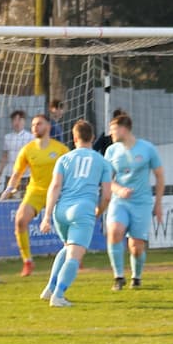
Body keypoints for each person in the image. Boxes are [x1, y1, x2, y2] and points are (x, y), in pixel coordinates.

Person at [39, 120, 112, 307]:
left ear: (74, 138)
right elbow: (106, 195)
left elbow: (55, 186)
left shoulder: (63, 159)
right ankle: (58, 296)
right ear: (92, 137)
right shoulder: (103, 162)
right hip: (82, 210)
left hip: (61, 211)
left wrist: (47, 216)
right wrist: (99, 211)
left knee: (67, 248)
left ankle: (50, 288)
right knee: (74, 256)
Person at [0, 113, 69, 277]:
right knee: (20, 220)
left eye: (39, 124)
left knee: (69, 223)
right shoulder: (27, 149)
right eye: (33, 125)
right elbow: (17, 174)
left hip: (58, 191)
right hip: (36, 191)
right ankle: (28, 261)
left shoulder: (60, 149)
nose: (35, 127)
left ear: (48, 126)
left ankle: (74, 256)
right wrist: (9, 189)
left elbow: (70, 171)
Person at [104, 114, 165, 290]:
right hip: (119, 201)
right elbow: (107, 180)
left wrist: (158, 203)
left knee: (136, 247)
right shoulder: (111, 151)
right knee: (114, 232)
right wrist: (119, 190)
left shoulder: (147, 148)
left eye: (113, 129)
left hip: (142, 203)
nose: (110, 133)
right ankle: (118, 277)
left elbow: (160, 176)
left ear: (124, 129)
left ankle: (136, 277)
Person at [0, 110, 33, 191]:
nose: (17, 122)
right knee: (7, 197)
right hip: (10, 174)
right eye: (14, 120)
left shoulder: (31, 137)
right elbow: (4, 157)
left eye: (19, 119)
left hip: (25, 175)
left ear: (24, 121)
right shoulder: (7, 137)